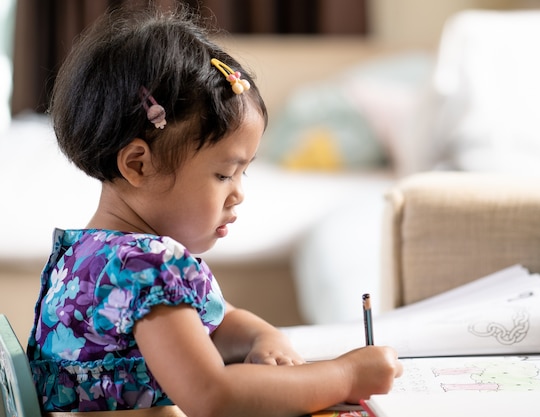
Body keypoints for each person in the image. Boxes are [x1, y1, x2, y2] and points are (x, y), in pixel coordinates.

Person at [26, 6, 402, 417]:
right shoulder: (149, 266)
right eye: (223, 174)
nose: (238, 194)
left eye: (244, 172)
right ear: (137, 164)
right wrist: (345, 375)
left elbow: (213, 323)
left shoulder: (85, 256)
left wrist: (262, 336)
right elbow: (214, 396)